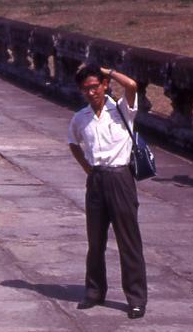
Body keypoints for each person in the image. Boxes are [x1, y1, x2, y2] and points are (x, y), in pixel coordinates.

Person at [68, 65, 147, 320]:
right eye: (85, 89)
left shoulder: (122, 109)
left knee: (128, 241)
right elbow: (73, 143)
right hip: (96, 179)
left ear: (104, 85)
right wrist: (86, 167)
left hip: (120, 178)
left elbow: (132, 85)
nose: (91, 92)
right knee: (95, 241)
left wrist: (107, 70)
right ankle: (94, 291)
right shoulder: (80, 117)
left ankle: (136, 298)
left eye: (95, 86)